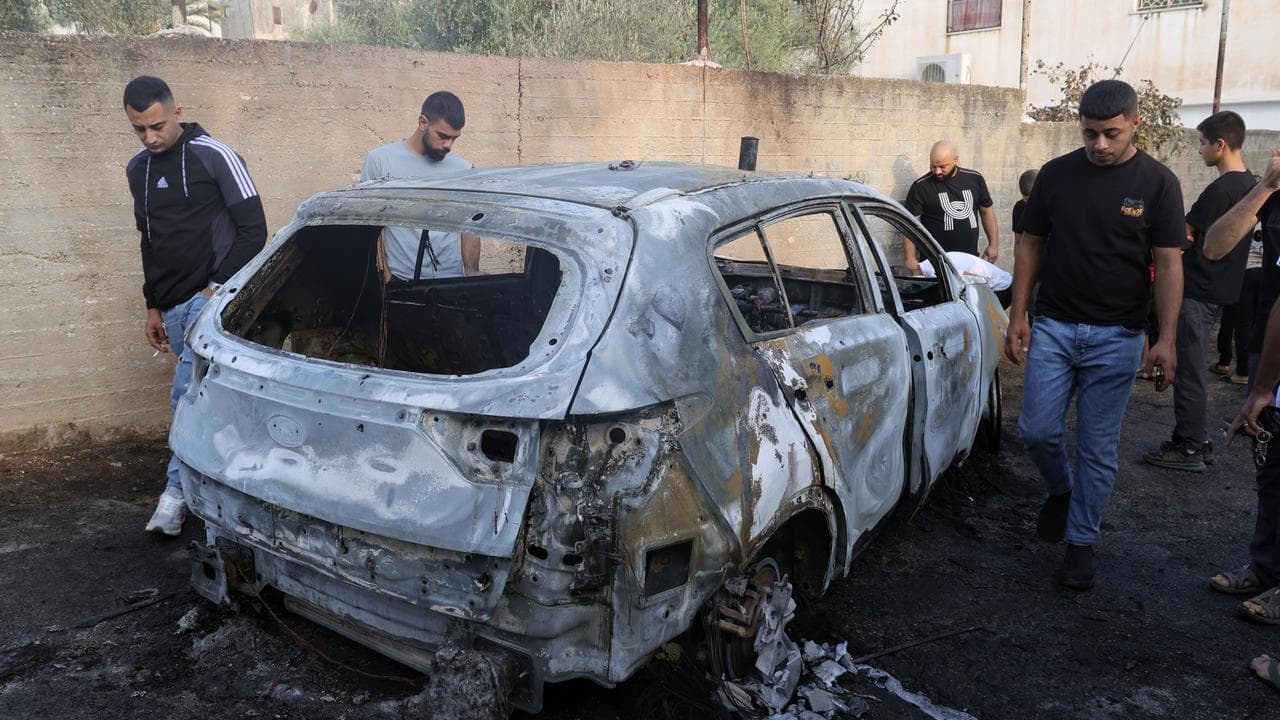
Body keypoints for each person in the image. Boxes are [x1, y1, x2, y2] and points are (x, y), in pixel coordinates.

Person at [1004, 80, 1184, 590]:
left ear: (1135, 124)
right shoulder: (1057, 175)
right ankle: (1061, 490)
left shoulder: (1159, 183)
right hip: (1054, 327)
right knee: (1036, 431)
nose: (1100, 145)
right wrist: (1018, 315)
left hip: (1119, 335)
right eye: (1090, 134)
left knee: (1097, 449)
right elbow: (1030, 244)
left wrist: (1166, 339)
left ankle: (1081, 542)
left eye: (1111, 134)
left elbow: (1169, 264)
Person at [123, 76, 267, 535]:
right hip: (170, 306)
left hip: (212, 303)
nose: (150, 137)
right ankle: (227, 490)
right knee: (206, 404)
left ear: (177, 113)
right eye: (140, 129)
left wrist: (215, 291)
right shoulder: (137, 170)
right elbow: (149, 241)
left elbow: (255, 231)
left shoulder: (215, 155)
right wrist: (152, 306)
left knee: (186, 398)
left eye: (157, 126)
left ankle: (175, 497)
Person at [1143, 111, 1256, 472]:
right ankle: (1195, 440)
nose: (1200, 150)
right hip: (1220, 290)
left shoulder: (1220, 190)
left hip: (1196, 290)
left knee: (1188, 371)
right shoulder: (1252, 186)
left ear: (1220, 145)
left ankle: (1189, 446)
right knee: (1192, 367)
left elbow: (1183, 236)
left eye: (1203, 143)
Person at [1208, 149, 1280, 622]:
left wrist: (1262, 387)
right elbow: (1215, 246)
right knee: (1270, 465)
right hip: (1268, 346)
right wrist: (1266, 186)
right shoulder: (1272, 195)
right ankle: (1266, 567)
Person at [360, 91, 479, 281]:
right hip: (399, 279)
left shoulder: (463, 169)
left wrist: (471, 271)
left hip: (450, 279)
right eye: (443, 136)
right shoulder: (380, 160)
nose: (449, 145)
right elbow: (368, 221)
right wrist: (384, 273)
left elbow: (470, 225)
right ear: (423, 122)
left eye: (454, 138)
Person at [903, 140, 1000, 272]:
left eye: (943, 166)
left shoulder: (974, 179)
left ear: (956, 159)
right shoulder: (921, 187)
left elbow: (986, 211)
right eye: (933, 166)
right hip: (935, 263)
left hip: (969, 261)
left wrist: (993, 245)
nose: (937, 171)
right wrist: (910, 258)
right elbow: (910, 224)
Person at [1212, 229, 1262, 386]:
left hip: (1243, 272)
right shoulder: (1272, 218)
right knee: (1257, 323)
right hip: (1266, 273)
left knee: (1240, 323)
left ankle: (1240, 370)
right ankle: (1250, 370)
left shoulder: (1245, 217)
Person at [918, 251, 1012, 308]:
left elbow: (976, 279)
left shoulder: (933, 270)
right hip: (999, 281)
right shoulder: (930, 264)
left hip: (1001, 287)